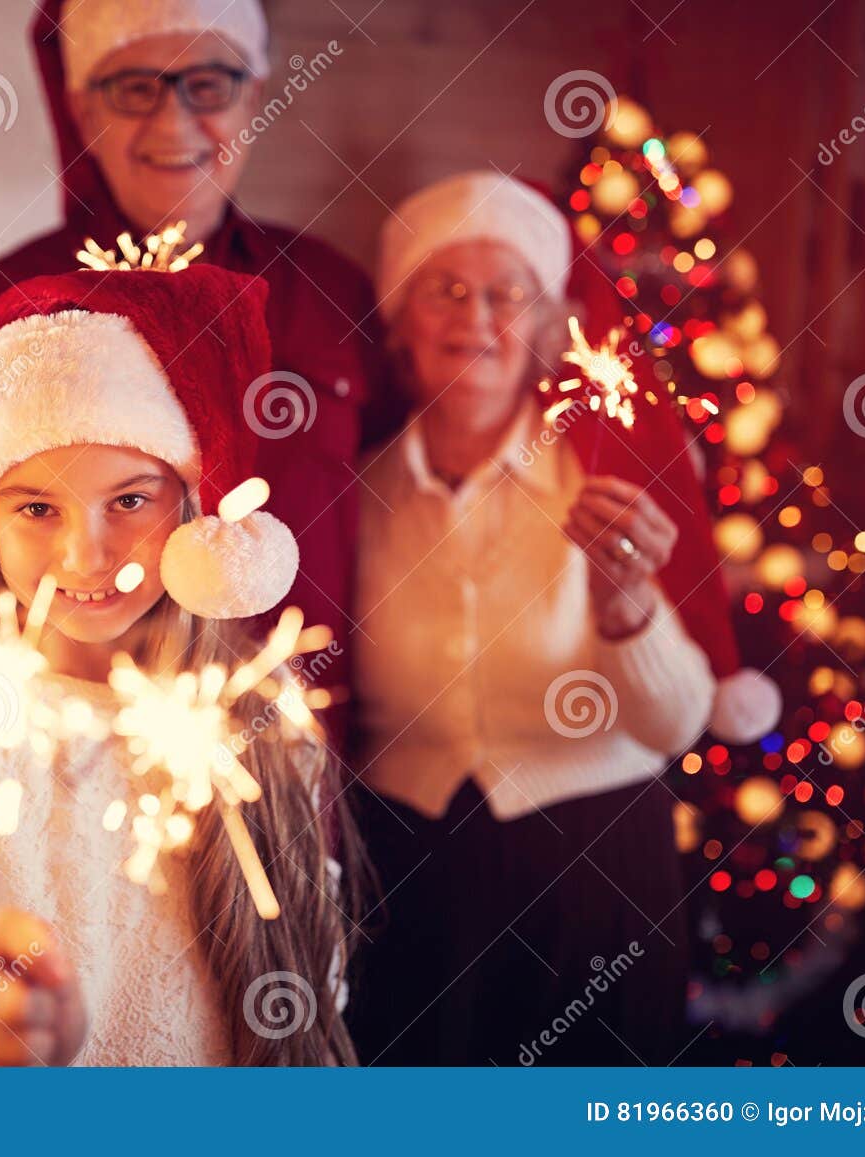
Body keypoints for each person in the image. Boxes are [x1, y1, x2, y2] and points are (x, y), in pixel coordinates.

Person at [0, 266, 355, 1066]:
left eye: (129, 500)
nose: (87, 554)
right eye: (37, 507)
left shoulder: (264, 709)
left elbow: (312, 1001)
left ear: (194, 511)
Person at [346, 171, 779, 1066]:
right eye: (447, 290)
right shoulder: (355, 492)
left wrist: (628, 606)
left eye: (510, 295)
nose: (478, 319)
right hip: (404, 876)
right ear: (400, 321)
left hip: (596, 870)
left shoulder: (605, 482)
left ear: (548, 329)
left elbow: (675, 723)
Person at [0, 0, 386, 747]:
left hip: (302, 753)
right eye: (134, 86)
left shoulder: (332, 292)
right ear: (81, 107)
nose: (174, 121)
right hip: (70, 760)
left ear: (255, 97)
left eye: (210, 83)